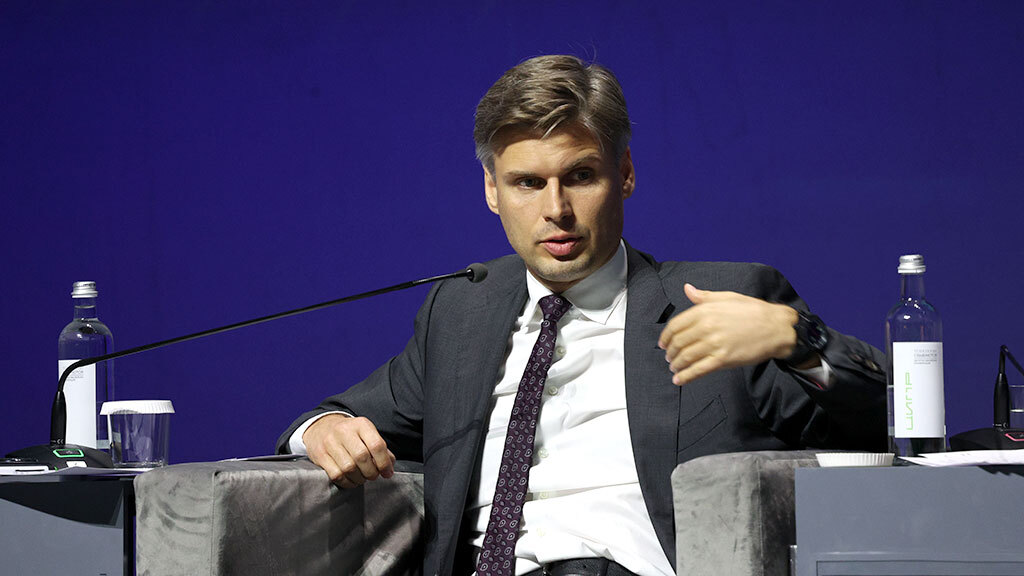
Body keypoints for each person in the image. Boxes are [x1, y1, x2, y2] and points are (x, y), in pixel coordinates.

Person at [277, 54, 886, 576]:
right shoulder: (461, 313)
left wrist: (799, 340)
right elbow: (340, 415)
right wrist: (323, 429)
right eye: (527, 183)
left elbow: (884, 424)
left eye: (581, 176)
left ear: (625, 175)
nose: (557, 209)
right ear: (491, 191)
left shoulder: (718, 299)